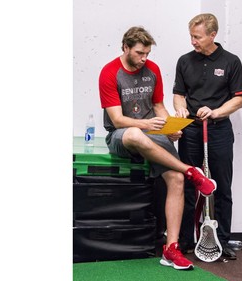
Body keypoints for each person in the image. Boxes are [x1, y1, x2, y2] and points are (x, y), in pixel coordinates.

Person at [98, 26, 217, 270]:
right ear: (125, 48)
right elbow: (118, 119)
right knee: (134, 133)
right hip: (123, 135)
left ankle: (170, 248)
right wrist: (147, 124)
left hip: (152, 131)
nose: (144, 58)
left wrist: (169, 126)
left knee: (175, 179)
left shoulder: (152, 70)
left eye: (147, 54)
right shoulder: (109, 73)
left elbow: (158, 105)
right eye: (140, 53)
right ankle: (191, 171)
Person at [173, 13, 242, 260]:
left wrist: (215, 111)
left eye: (197, 36)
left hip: (218, 131)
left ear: (212, 35)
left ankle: (223, 240)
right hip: (191, 131)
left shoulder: (231, 61)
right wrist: (180, 108)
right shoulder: (184, 61)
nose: (193, 41)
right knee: (188, 185)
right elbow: (179, 93)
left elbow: (238, 99)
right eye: (191, 36)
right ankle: (184, 240)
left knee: (221, 186)